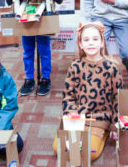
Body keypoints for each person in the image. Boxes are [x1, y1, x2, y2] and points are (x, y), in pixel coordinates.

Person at [52, 21, 123, 161]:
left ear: (102, 42)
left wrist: (115, 125)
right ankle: (87, 137)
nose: (91, 43)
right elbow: (68, 95)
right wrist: (71, 114)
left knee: (87, 153)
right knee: (60, 148)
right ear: (80, 44)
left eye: (95, 39)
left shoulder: (112, 67)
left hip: (99, 119)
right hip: (77, 119)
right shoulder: (75, 66)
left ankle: (104, 133)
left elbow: (117, 99)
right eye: (86, 40)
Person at [6, 0, 63, 96]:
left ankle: (45, 78)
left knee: (44, 50)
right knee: (28, 50)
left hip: (44, 17)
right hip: (24, 17)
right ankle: (29, 78)